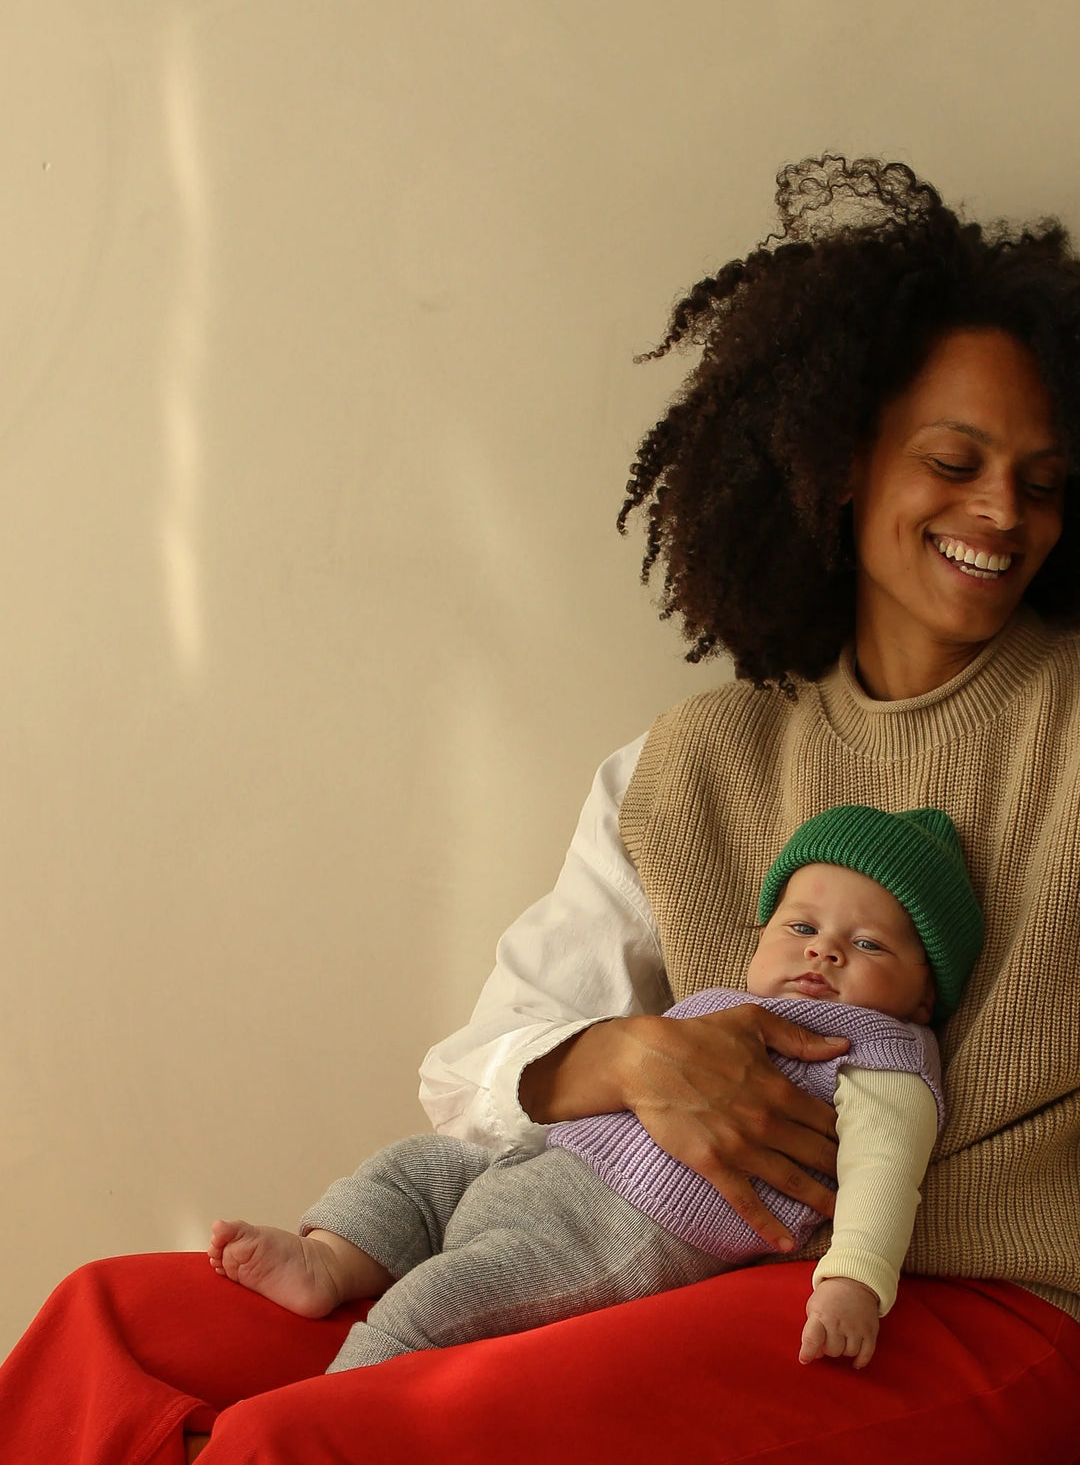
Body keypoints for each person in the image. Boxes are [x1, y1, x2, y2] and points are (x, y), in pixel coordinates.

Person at [3, 154, 1080, 1465]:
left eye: (1043, 480)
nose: (999, 512)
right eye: (955, 460)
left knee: (320, 1439)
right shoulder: (694, 765)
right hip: (651, 1242)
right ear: (842, 464)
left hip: (961, 1301)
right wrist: (624, 1059)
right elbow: (483, 1057)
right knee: (110, 1324)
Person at [207, 803, 981, 1376]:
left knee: (437, 1300)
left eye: (870, 943)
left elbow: (886, 1179)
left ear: (922, 997)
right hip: (540, 1165)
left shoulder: (884, 1059)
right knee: (415, 1167)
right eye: (798, 926)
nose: (825, 952)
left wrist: (854, 1283)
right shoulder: (726, 1006)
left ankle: (334, 1403)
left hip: (609, 1241)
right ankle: (331, 1261)